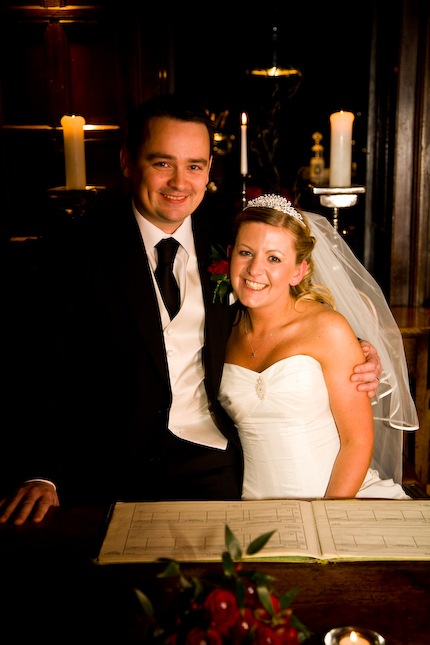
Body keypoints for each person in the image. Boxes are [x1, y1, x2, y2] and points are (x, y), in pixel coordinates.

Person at [0, 95, 383, 525]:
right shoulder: (74, 249)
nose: (179, 183)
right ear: (127, 162)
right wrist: (41, 473)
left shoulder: (232, 237)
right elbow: (38, 370)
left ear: (209, 169)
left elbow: (283, 308)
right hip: (109, 469)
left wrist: (352, 352)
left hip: (216, 464)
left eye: (195, 166)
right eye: (162, 163)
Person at [218, 194, 418, 500]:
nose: (255, 269)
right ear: (231, 255)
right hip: (251, 507)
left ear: (298, 271)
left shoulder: (329, 329)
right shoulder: (220, 330)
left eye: (274, 258)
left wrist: (327, 514)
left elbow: (357, 441)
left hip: (339, 498)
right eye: (246, 253)